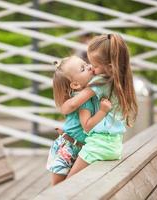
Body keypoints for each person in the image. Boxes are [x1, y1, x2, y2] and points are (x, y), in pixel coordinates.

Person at [60, 34, 138, 178]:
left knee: (69, 182)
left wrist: (63, 106)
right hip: (114, 144)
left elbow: (71, 106)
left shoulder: (101, 82)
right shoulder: (121, 80)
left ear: (109, 67)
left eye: (95, 66)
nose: (92, 69)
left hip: (99, 144)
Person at [46, 56, 112, 185]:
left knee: (70, 186)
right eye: (83, 68)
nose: (89, 66)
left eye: (86, 63)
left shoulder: (89, 96)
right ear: (75, 84)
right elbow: (86, 125)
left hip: (80, 147)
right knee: (59, 187)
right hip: (68, 148)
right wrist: (103, 111)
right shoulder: (83, 100)